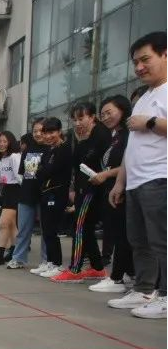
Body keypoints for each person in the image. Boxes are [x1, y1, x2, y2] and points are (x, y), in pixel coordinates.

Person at [108, 31, 167, 319]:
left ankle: (166, 295)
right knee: (139, 240)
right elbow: (132, 146)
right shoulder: (144, 97)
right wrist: (120, 182)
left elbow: (149, 127)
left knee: (162, 240)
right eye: (135, 63)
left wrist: (152, 122)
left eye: (145, 59)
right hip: (137, 181)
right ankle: (144, 289)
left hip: (160, 177)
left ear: (165, 54)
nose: (140, 67)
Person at [51, 102, 111, 283]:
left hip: (94, 188)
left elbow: (90, 158)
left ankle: (75, 269)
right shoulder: (79, 135)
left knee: (79, 226)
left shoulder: (101, 133)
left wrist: (82, 140)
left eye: (81, 118)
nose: (77, 123)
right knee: (86, 228)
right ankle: (97, 268)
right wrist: (73, 189)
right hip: (82, 187)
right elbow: (76, 163)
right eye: (74, 120)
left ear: (92, 117)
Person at [89, 95, 133, 293]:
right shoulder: (115, 136)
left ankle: (117, 277)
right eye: (103, 114)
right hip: (112, 189)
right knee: (118, 233)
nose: (106, 117)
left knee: (122, 235)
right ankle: (127, 273)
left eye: (109, 112)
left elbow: (128, 162)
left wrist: (106, 174)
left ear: (122, 110)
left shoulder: (128, 135)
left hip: (123, 189)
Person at [34, 117, 72, 277]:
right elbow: (38, 171)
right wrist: (42, 170)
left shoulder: (64, 149)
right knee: (46, 229)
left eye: (52, 132)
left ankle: (57, 264)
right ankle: (49, 262)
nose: (48, 136)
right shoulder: (49, 150)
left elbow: (49, 170)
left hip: (57, 193)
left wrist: (43, 170)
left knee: (52, 229)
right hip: (46, 192)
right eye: (46, 133)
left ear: (59, 131)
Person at [10, 119, 47, 270]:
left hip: (45, 195)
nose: (38, 134)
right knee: (23, 230)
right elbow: (26, 174)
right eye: (35, 131)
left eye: (41, 131)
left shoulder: (52, 148)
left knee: (46, 231)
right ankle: (18, 259)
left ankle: (46, 261)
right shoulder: (29, 149)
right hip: (27, 194)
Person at [0, 131, 22, 265]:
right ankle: (14, 251)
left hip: (15, 190)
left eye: (4, 141)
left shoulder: (14, 156)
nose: (1, 144)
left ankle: (0, 254)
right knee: (12, 224)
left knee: (3, 223)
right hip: (7, 190)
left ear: (10, 142)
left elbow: (20, 176)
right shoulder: (3, 158)